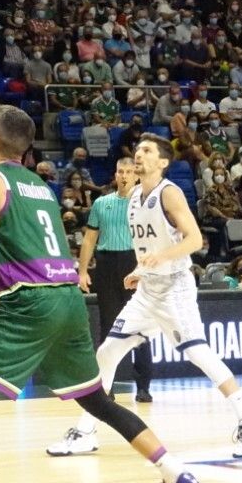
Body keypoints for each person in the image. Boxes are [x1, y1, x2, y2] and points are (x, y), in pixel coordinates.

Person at [0, 108, 207, 483]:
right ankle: (177, 475)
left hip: (30, 301)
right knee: (97, 401)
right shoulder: (39, 186)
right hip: (69, 297)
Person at [44, 136, 242, 460]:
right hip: (148, 290)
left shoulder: (170, 192)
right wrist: (141, 269)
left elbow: (194, 240)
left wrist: (161, 259)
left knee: (198, 354)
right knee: (108, 351)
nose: (139, 154)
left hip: (175, 288)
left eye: (147, 151)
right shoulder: (135, 195)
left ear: (163, 162)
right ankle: (86, 429)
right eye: (137, 150)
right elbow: (148, 247)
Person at [77, 158, 150, 399]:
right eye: (121, 171)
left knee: (140, 326)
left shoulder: (145, 203)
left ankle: (143, 386)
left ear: (137, 175)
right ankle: (106, 387)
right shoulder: (101, 203)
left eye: (130, 171)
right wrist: (83, 271)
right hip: (107, 264)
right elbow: (89, 239)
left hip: (135, 262)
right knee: (108, 326)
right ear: (115, 174)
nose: (125, 175)